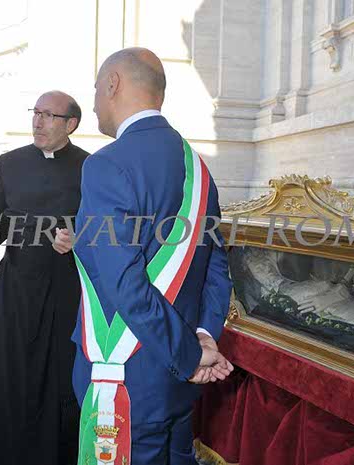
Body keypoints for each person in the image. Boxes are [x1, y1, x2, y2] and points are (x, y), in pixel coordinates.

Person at [69, 47, 234, 465]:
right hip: (177, 383)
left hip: (127, 381)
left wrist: (190, 355)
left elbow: (124, 283)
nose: (94, 103)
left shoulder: (107, 165)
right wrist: (204, 335)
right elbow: (216, 267)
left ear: (113, 84)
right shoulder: (197, 167)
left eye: (96, 88)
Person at [0, 91, 89, 465]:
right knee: (10, 378)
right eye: (36, 113)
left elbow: (99, 232)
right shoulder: (10, 163)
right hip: (16, 291)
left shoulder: (91, 167)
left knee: (58, 381)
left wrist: (78, 241)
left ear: (70, 124)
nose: (38, 121)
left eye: (49, 115)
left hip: (64, 292)